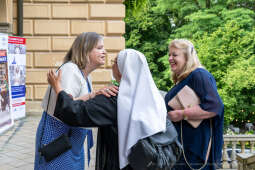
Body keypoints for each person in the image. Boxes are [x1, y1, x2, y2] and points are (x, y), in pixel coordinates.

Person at [47, 49, 167, 170]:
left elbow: (74, 113)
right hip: (148, 161)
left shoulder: (116, 99)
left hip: (121, 163)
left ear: (122, 68)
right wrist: (93, 95)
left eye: (114, 62)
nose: (111, 65)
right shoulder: (154, 97)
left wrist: (58, 88)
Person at [34, 32, 118, 170]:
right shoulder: (70, 70)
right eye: (99, 48)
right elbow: (66, 107)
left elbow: (75, 103)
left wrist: (94, 94)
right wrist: (93, 95)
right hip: (58, 136)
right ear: (85, 50)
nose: (105, 51)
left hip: (70, 138)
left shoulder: (84, 74)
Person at [165, 39, 224, 170]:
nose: (170, 58)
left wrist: (181, 114)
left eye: (175, 55)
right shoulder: (184, 80)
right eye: (169, 55)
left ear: (187, 57)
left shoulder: (199, 74)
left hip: (195, 157)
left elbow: (215, 107)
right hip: (183, 154)